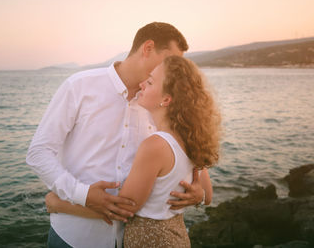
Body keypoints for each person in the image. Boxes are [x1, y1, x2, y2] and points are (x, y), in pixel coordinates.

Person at [26, 22, 210, 248]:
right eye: (169, 61)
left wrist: (200, 193)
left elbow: (188, 163)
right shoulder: (80, 86)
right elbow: (38, 153)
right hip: (74, 237)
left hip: (129, 240)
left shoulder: (160, 108)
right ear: (148, 48)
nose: (172, 70)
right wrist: (81, 194)